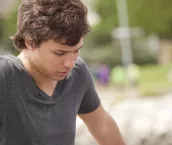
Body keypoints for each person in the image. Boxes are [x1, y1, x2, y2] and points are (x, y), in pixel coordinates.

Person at [0, 0, 126, 145]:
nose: (70, 63)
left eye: (76, 51)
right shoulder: (4, 76)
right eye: (59, 53)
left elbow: (103, 128)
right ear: (30, 42)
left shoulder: (78, 72)